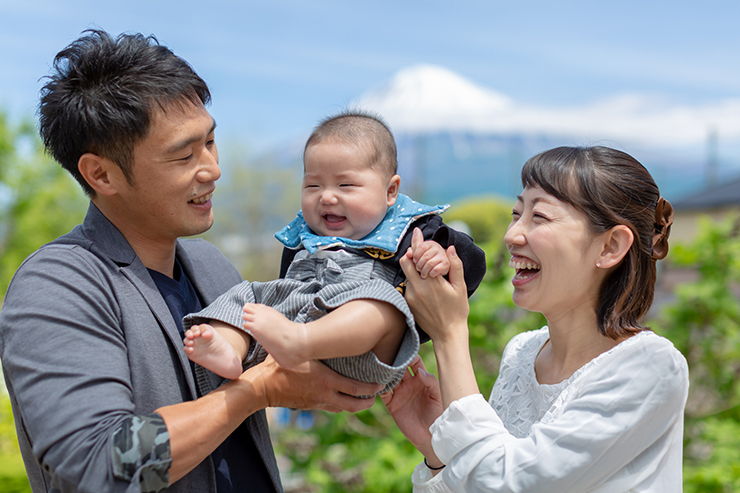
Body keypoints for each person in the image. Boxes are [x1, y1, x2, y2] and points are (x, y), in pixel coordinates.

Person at [0, 30, 385, 493]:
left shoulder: (210, 266)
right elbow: (100, 463)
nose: (212, 168)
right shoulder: (58, 284)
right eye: (184, 154)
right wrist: (257, 392)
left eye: (210, 142)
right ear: (100, 174)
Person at [382, 146, 690, 492]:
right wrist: (439, 450)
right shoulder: (522, 353)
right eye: (517, 214)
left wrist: (450, 334)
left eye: (539, 217)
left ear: (610, 246)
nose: (512, 235)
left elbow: (511, 484)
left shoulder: (648, 367)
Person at [182, 112, 487, 394]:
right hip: (295, 335)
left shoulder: (411, 230)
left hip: (360, 352)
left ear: (390, 191)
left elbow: (472, 264)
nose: (327, 196)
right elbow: (284, 281)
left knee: (384, 305)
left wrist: (438, 257)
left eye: (346, 184)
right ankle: (230, 349)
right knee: (247, 294)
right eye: (313, 185)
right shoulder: (306, 234)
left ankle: (300, 340)